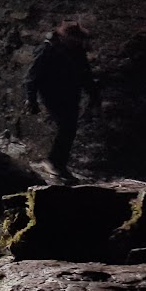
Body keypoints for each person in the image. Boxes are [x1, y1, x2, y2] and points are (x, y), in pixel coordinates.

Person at [25, 21, 101, 182]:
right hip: (52, 94)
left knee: (70, 128)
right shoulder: (48, 49)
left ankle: (59, 164)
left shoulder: (76, 51)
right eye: (75, 39)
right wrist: (31, 99)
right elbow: (32, 77)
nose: (78, 43)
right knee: (66, 126)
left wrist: (94, 96)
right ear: (65, 36)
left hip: (71, 94)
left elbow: (85, 74)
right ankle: (53, 161)